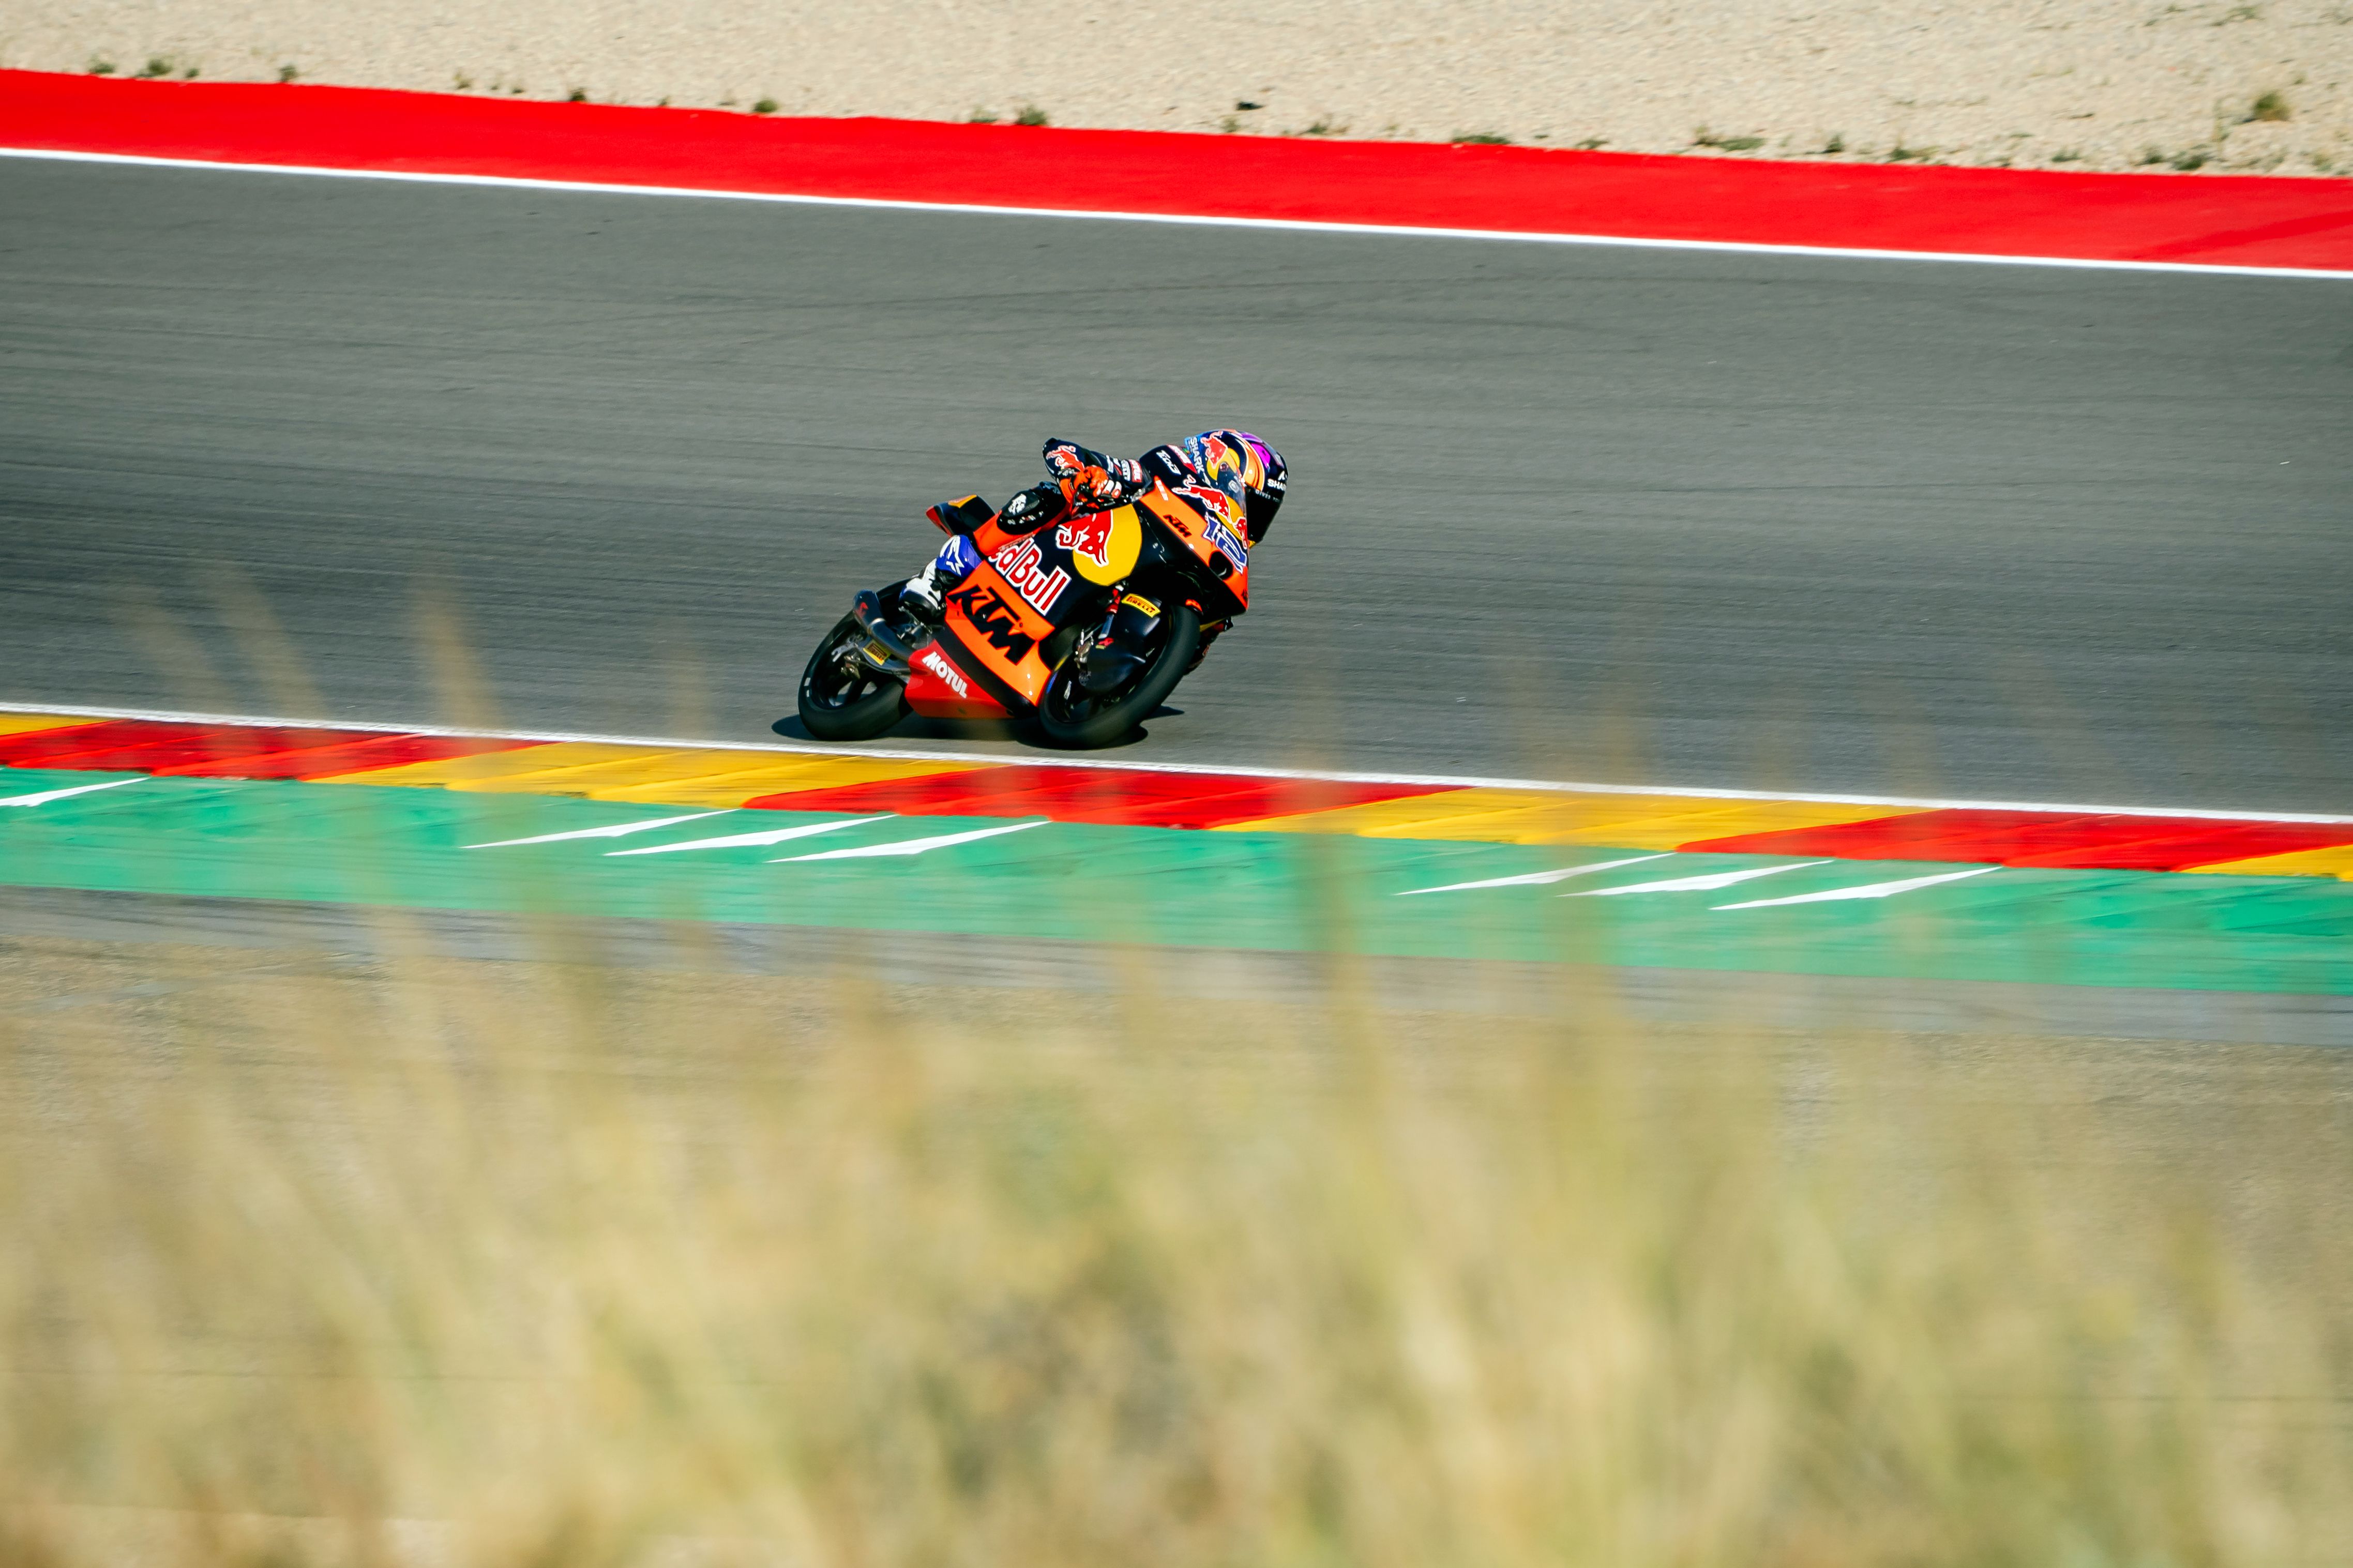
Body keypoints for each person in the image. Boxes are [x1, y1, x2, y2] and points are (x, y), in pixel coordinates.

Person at [899, 430, 1287, 626]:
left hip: (1094, 590)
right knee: (1051, 496)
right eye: (1251, 504)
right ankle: (944, 572)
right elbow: (1062, 448)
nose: (1251, 520)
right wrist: (1083, 475)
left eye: (1261, 514)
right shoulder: (1164, 470)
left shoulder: (1213, 558)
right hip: (1060, 549)